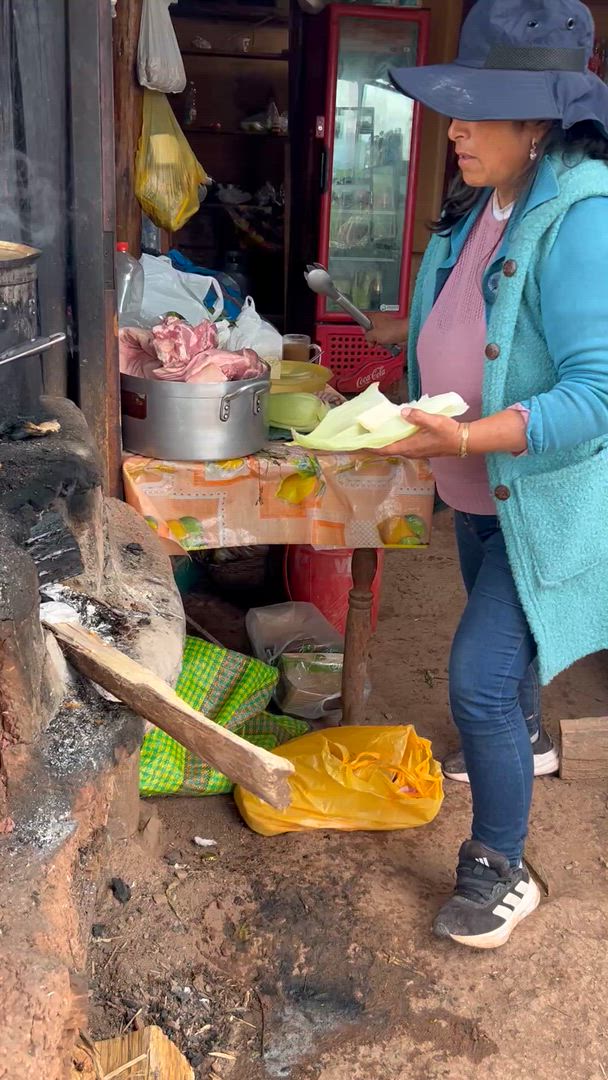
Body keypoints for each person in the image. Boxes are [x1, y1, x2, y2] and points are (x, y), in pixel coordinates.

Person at [367, 0, 608, 949]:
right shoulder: (487, 197)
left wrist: (462, 440)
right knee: (505, 669)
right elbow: (478, 310)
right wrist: (409, 337)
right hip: (476, 496)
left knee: (476, 681)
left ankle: (500, 868)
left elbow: (598, 392)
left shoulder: (583, 217)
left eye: (478, 109)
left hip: (536, 499)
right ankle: (531, 737)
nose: (454, 127)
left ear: (540, 119)